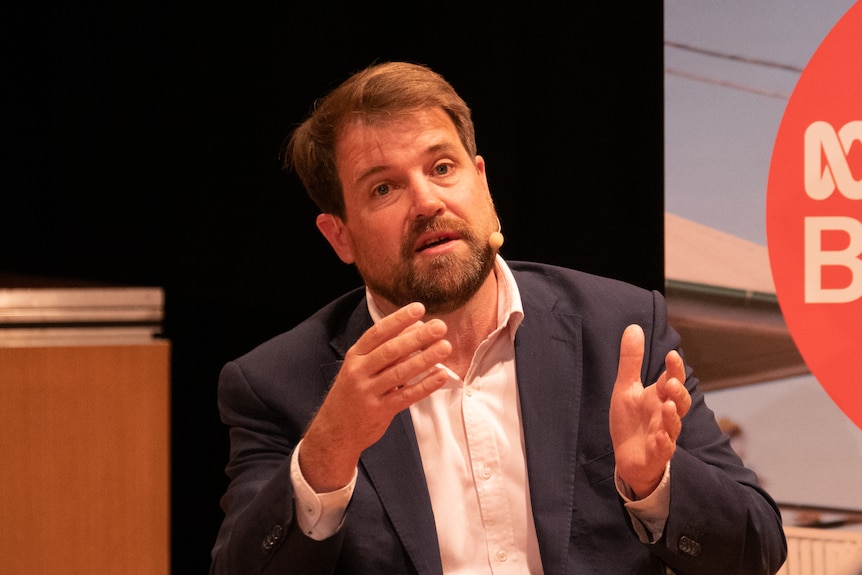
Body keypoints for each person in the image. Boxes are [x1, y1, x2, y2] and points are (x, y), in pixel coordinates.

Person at [209, 61, 787, 574]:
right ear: (339, 235)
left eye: (442, 167)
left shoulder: (621, 329)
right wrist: (328, 452)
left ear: (481, 180)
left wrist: (653, 486)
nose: (428, 201)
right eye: (384, 187)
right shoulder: (276, 383)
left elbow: (758, 552)